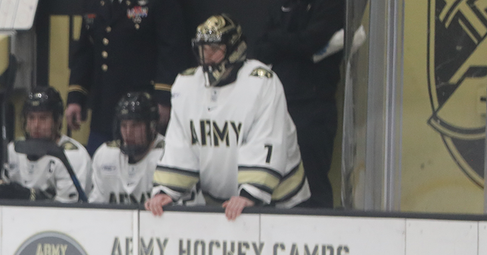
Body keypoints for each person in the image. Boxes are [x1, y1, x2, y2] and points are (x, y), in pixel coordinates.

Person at [145, 15, 310, 221]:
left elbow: (268, 140)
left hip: (281, 200)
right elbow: (181, 143)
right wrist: (166, 191)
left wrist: (250, 193)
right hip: (224, 204)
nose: (207, 57)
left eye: (215, 49)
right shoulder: (185, 85)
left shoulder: (262, 83)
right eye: (203, 49)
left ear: (235, 49)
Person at [253, 0, 346, 208]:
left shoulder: (331, 5)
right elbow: (261, 48)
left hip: (314, 107)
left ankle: (318, 236)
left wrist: (279, 41)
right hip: (279, 105)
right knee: (273, 177)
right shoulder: (280, 6)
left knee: (313, 181)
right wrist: (292, 44)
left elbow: (309, 42)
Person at [65, 0, 189, 155]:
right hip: (104, 108)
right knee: (99, 165)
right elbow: (85, 51)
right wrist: (76, 97)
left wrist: (164, 98)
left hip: (142, 109)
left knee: (143, 167)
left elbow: (171, 50)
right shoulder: (94, 3)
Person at [0, 86, 92, 203]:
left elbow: (67, 212)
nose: (36, 125)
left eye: (43, 118)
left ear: (57, 120)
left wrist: (31, 197)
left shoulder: (73, 155)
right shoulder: (14, 150)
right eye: (31, 118)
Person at [90, 91, 181, 205]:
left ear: (152, 126)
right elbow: (95, 208)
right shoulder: (105, 155)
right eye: (124, 125)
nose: (128, 132)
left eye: (135, 125)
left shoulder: (169, 155)